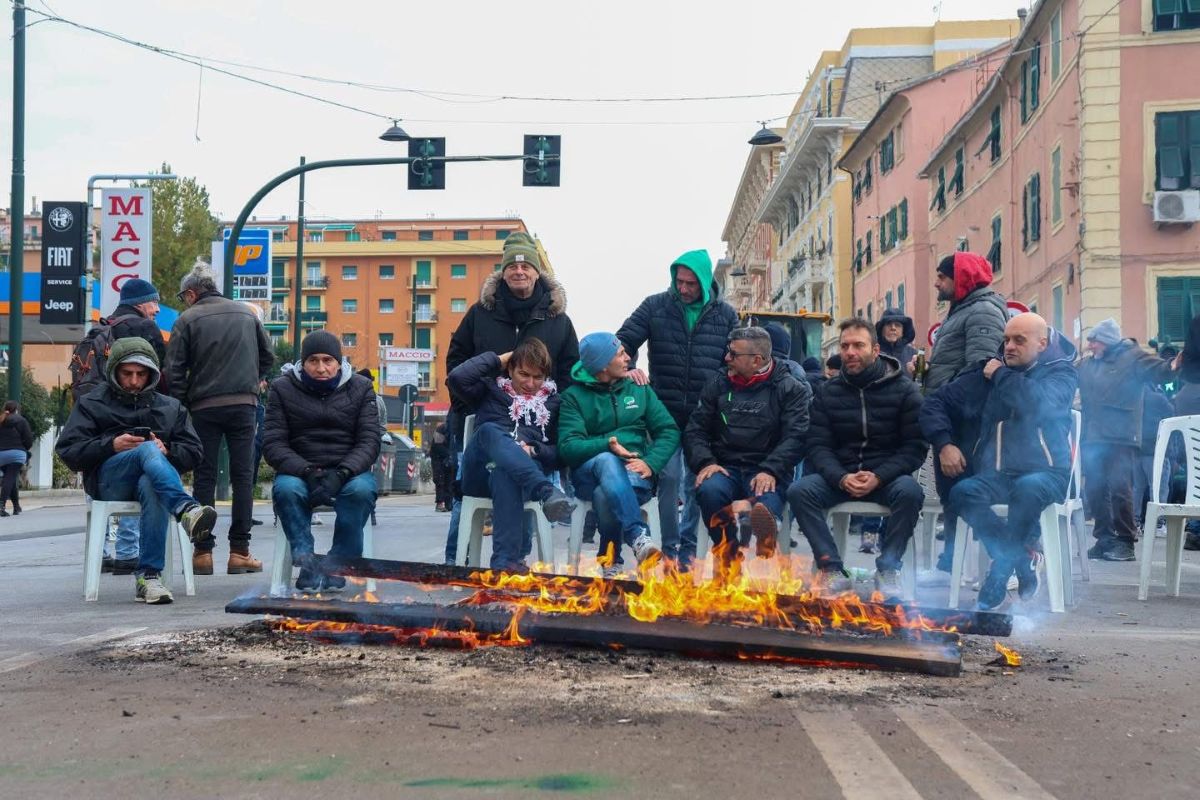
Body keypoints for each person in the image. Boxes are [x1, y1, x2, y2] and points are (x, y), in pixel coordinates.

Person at [921, 313, 1078, 609]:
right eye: (1006, 340)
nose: (1009, 347)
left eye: (1019, 340)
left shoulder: (1061, 373)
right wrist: (944, 444)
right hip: (1000, 474)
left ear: (1042, 344)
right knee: (963, 493)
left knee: (1028, 488)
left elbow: (1039, 403)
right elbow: (934, 403)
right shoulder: (989, 372)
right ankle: (1022, 558)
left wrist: (1001, 376)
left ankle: (1000, 571)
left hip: (1049, 473)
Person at [444, 231, 579, 564]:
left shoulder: (558, 320)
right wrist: (484, 388)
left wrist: (553, 404)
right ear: (503, 273)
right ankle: (456, 560)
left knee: (509, 469)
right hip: (485, 414)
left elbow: (570, 372)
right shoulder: (480, 313)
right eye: (512, 267)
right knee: (489, 435)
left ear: (537, 272)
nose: (520, 272)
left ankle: (509, 564)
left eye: (526, 267)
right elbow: (456, 367)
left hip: (524, 445)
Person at [55, 337, 217, 605]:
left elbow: (195, 452)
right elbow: (69, 451)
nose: (133, 381)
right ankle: (186, 510)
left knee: (151, 482)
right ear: (114, 371)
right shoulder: (91, 402)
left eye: (141, 374)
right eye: (127, 373)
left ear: (151, 374)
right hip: (108, 482)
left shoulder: (170, 406)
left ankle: (149, 577)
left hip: (153, 481)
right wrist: (112, 445)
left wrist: (168, 451)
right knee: (145, 450)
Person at [787, 319, 927, 600]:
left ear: (875, 350)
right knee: (800, 491)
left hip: (886, 477)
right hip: (841, 475)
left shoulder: (904, 389)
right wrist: (840, 476)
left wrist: (880, 475)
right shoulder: (828, 392)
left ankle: (887, 570)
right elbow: (817, 445)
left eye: (858, 345)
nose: (850, 352)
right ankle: (833, 570)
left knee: (911, 493)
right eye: (845, 346)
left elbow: (914, 447)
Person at [616, 249, 738, 565]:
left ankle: (687, 550)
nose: (683, 289)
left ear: (704, 281)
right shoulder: (655, 306)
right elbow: (623, 341)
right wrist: (628, 365)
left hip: (705, 414)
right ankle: (669, 549)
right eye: (678, 281)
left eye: (690, 283)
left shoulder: (726, 315)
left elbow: (734, 358)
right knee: (668, 477)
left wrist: (724, 388)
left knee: (697, 480)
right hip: (664, 412)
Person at [165, 259, 274, 576]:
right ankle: (240, 552)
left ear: (191, 293)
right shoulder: (246, 313)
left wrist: (183, 401)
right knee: (243, 477)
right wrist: (252, 381)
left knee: (205, 477)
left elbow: (174, 370)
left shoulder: (188, 319)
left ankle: (202, 553)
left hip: (203, 407)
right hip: (243, 405)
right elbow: (268, 356)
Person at [263, 331, 381, 592]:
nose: (321, 368)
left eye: (328, 360)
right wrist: (306, 471)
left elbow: (370, 441)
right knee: (286, 490)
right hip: (300, 471)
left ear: (339, 362)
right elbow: (273, 443)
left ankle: (337, 563)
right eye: (313, 361)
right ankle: (308, 562)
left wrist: (342, 473)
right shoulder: (282, 389)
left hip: (348, 472)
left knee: (361, 491)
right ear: (302, 363)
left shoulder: (361, 388)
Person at [447, 338, 576, 571]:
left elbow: (563, 452)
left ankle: (505, 566)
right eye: (523, 374)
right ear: (510, 369)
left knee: (504, 472)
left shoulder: (556, 403)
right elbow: (456, 378)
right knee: (488, 430)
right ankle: (546, 491)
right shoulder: (490, 390)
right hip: (479, 475)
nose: (530, 383)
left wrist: (535, 449)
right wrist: (498, 359)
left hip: (517, 479)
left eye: (538, 377)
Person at [559, 333, 680, 577]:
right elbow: (568, 447)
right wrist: (607, 445)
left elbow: (668, 430)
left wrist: (651, 462)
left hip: (635, 472)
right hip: (588, 474)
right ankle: (637, 535)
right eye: (620, 354)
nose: (628, 358)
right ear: (603, 365)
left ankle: (611, 561)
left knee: (605, 495)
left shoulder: (639, 390)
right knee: (606, 460)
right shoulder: (573, 396)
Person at [685, 327, 810, 562]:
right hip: (725, 466)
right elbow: (695, 429)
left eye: (733, 354)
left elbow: (797, 436)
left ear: (757, 360)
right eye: (727, 352)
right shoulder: (717, 383)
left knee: (766, 496)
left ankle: (766, 532)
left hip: (767, 467)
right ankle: (728, 555)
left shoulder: (790, 388)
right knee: (709, 489)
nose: (726, 358)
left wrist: (771, 469)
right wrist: (706, 462)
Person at [921, 252, 1007, 572]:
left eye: (942, 277)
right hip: (951, 412)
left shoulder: (982, 310)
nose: (936, 283)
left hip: (965, 419)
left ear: (962, 278)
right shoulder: (962, 310)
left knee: (960, 489)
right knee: (950, 491)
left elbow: (979, 368)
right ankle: (952, 558)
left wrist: (946, 396)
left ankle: (998, 555)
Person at [1078, 318, 1180, 562]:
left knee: (1120, 487)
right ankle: (1104, 539)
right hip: (1094, 437)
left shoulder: (1133, 357)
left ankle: (1125, 541)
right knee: (1094, 489)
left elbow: (1161, 371)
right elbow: (1066, 374)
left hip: (1122, 436)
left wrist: (1177, 363)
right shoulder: (1088, 365)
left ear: (1108, 341)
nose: (1090, 345)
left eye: (1094, 341)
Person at [0, 401, 34, 516]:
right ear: (17, 410)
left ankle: (16, 506)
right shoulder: (21, 420)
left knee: (10, 477)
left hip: (1, 455)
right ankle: (1, 506)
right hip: (17, 454)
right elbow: (29, 440)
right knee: (9, 478)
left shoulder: (1, 419)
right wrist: (23, 448)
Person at [876, 307, 917, 377]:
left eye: (897, 325)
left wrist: (926, 366)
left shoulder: (914, 355)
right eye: (888, 324)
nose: (893, 328)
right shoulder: (873, 353)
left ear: (903, 331)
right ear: (881, 329)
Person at [429, 424, 454, 512]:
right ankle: (440, 503)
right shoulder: (441, 429)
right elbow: (437, 445)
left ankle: (448, 504)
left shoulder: (454, 429)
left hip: (447, 457)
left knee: (449, 480)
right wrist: (449, 454)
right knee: (440, 480)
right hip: (438, 458)